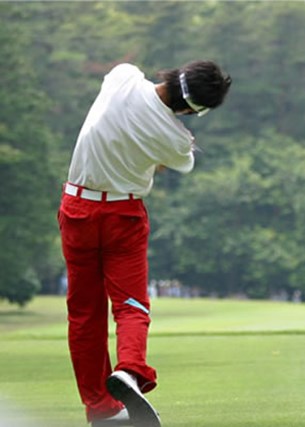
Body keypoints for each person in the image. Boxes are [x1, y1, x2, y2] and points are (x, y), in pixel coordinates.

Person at [57, 60, 231, 427]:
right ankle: (131, 372)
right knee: (131, 305)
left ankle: (100, 409)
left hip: (76, 208)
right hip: (123, 215)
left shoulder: (124, 76)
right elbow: (174, 163)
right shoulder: (177, 139)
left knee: (85, 315)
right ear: (193, 109)